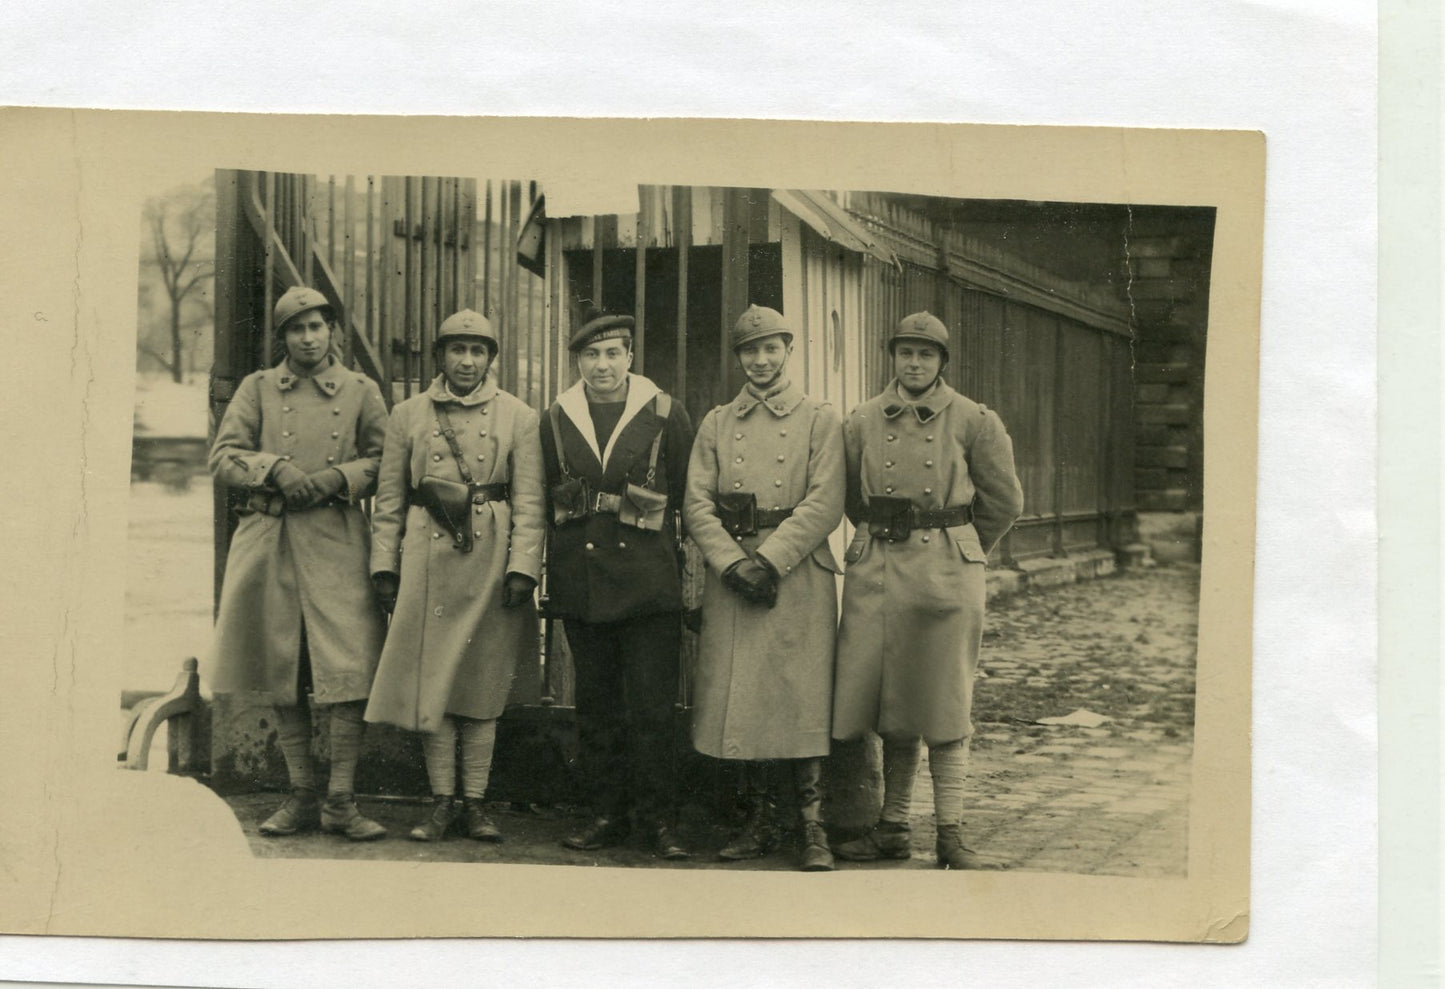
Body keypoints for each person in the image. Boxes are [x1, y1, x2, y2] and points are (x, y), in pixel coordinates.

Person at [830, 311, 1024, 869]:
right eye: (905, 352)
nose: (914, 363)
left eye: (926, 354)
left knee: (942, 702)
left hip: (945, 576)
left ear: (942, 363)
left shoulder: (973, 420)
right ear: (892, 356)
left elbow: (1005, 501)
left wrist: (957, 541)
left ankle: (951, 834)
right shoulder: (862, 420)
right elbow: (849, 496)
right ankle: (891, 829)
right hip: (880, 576)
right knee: (891, 699)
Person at [208, 285, 390, 841]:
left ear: (332, 331)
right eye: (296, 328)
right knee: (282, 673)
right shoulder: (257, 389)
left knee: (348, 671)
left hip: (336, 539)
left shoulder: (361, 391)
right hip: (273, 540)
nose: (308, 338)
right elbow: (221, 457)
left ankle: (341, 800)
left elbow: (389, 459)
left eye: (317, 327)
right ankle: (301, 795)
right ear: (283, 337)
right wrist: (273, 468)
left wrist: (341, 477)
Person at [364, 310, 545, 842]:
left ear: (492, 358)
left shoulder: (519, 416)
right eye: (457, 350)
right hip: (427, 560)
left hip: (489, 561)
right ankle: (441, 801)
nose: (467, 361)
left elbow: (531, 502)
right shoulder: (408, 414)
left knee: (483, 683)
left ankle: (476, 803)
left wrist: (522, 568)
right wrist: (384, 565)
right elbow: (390, 500)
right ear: (440, 356)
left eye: (478, 351)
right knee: (434, 681)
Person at [683, 304, 844, 872]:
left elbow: (826, 502)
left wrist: (771, 561)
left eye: (771, 348)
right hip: (735, 575)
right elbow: (696, 505)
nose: (761, 360)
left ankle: (813, 826)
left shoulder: (820, 419)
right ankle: (758, 820)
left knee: (801, 695)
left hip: (796, 573)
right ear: (738, 358)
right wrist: (732, 565)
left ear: (789, 351)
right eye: (750, 351)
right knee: (743, 698)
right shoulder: (717, 422)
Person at [540, 308, 695, 860]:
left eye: (612, 354)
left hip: (648, 583)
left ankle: (658, 822)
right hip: (583, 583)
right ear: (579, 361)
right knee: (597, 705)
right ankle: (604, 813)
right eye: (590, 355)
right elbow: (543, 499)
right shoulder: (557, 417)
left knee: (652, 709)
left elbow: (688, 497)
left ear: (630, 357)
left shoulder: (664, 412)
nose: (601, 366)